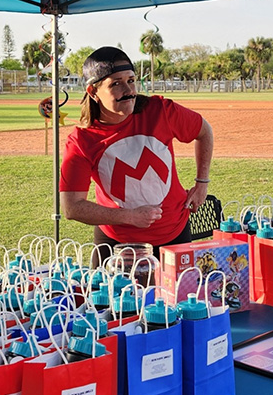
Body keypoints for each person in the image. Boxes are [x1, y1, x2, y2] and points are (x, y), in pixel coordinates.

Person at [60, 46, 214, 266]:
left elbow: (204, 131)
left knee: (177, 300)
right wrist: (129, 217)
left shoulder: (160, 110)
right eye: (116, 83)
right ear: (93, 92)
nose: (129, 90)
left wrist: (202, 184)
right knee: (109, 300)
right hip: (116, 244)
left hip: (174, 234)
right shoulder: (81, 141)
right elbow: (72, 207)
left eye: (131, 80)